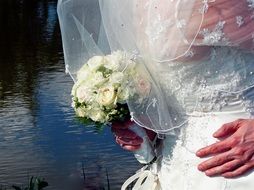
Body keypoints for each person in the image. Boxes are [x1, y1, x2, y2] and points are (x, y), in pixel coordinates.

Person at [57, 0, 254, 189]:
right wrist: (150, 126)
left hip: (212, 160)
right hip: (199, 159)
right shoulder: (143, 5)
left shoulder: (136, 7)